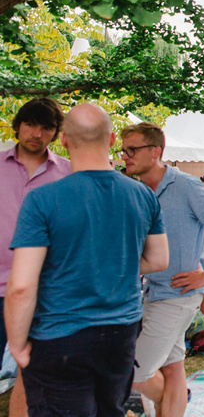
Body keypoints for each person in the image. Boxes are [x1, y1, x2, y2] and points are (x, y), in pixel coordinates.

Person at [6, 103, 168, 417]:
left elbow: (21, 287)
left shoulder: (42, 199)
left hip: (59, 333)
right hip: (120, 332)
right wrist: (109, 265)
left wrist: (16, 344)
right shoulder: (142, 194)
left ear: (63, 139)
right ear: (111, 141)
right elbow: (159, 259)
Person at [121, 121, 204, 417]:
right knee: (172, 369)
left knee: (132, 373)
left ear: (155, 151)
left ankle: (166, 402)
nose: (125, 156)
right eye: (123, 151)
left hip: (178, 295)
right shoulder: (138, 189)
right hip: (153, 291)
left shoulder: (185, 185)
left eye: (132, 149)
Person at [0, 97, 71, 416]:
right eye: (29, 124)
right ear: (17, 126)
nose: (36, 133)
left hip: (44, 290)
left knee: (36, 372)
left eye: (47, 127)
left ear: (56, 133)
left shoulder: (69, 173)